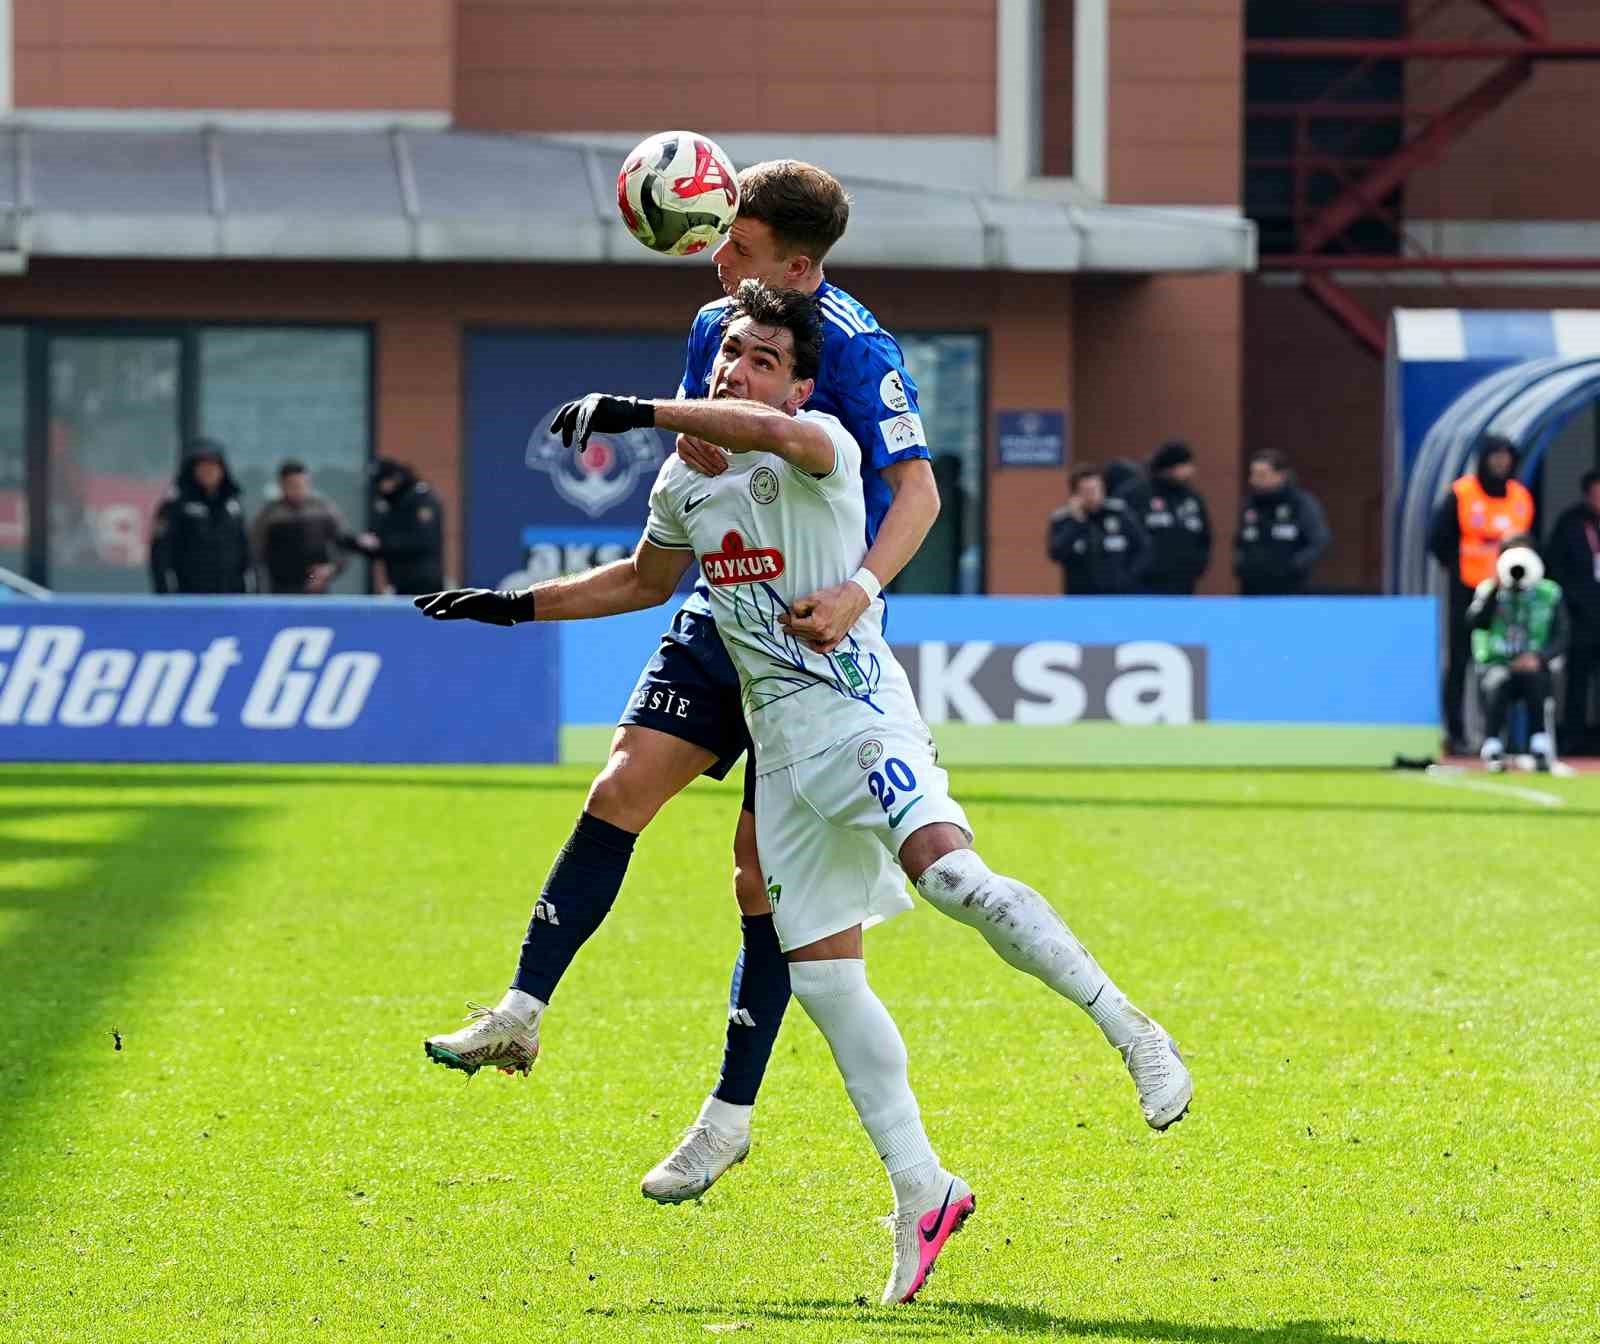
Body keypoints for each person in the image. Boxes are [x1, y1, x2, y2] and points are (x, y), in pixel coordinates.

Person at [417, 282, 1192, 1305]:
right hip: (784, 764)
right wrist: (511, 606)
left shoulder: (820, 444)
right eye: (731, 352)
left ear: (801, 384)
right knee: (826, 985)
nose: (739, 370)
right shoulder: (689, 489)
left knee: (955, 881)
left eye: (764, 360)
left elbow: (762, 429)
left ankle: (1131, 1029)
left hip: (863, 722)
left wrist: (643, 410)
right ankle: (924, 1191)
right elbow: (646, 583)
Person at [420, 161, 943, 1202]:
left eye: (738, 247)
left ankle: (726, 1120)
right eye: (713, 237)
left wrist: (859, 593)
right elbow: (696, 468)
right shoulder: (719, 322)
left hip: (811, 642)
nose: (715, 257)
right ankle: (519, 1014)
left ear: (798, 266)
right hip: (720, 609)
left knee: (762, 881)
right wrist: (522, 600)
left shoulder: (858, 347)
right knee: (617, 788)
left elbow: (916, 492)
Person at [1427, 435, 1534, 754]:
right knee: (1461, 659)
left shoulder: (1519, 496)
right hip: (1469, 588)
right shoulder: (1462, 493)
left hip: (1511, 592)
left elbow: (1528, 541)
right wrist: (1458, 567)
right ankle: (1456, 732)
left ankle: (1504, 735)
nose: (1501, 462)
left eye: (1506, 456)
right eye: (1495, 456)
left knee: (1509, 658)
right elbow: (1438, 539)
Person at [1469, 535, 1568, 772]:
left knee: (1536, 682)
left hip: (1534, 666)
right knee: (1497, 682)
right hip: (1498, 664)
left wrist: (1539, 658)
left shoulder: (1549, 593)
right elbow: (1474, 622)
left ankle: (1538, 745)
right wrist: (1496, 586)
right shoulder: (1488, 589)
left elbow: (1562, 635)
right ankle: (1492, 745)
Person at [148, 439, 253, 595]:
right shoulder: (175, 505)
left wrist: (251, 589)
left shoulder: (233, 506)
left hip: (231, 595)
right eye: (202, 465)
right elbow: (160, 554)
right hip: (188, 595)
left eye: (213, 465)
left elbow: (246, 552)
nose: (208, 471)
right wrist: (165, 594)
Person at [1545, 469, 1600, 754]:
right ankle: (1574, 740)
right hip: (1581, 618)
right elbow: (1555, 567)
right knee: (1577, 682)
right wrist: (1573, 601)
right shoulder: (1570, 524)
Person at [1116, 439, 1212, 595]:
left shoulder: (1192, 499)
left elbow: (1205, 538)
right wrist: (1131, 571)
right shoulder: (1136, 495)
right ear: (1170, 467)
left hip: (1182, 584)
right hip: (1142, 585)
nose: (1191, 470)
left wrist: (1195, 568)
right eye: (1186, 465)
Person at [1233, 450, 1331, 596]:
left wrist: (1293, 566)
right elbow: (1240, 542)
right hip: (1252, 589)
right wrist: (1242, 565)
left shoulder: (1301, 504)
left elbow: (1319, 541)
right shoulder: (1249, 505)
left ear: (1280, 475)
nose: (1253, 480)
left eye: (1262, 475)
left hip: (1291, 589)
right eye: (1253, 474)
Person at [343, 459, 445, 595]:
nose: (380, 488)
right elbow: (381, 543)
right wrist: (356, 543)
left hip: (423, 582)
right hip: (398, 580)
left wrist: (382, 543)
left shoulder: (420, 499)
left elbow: (422, 540)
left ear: (394, 479)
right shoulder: (390, 502)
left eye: (382, 483)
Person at [1046, 464, 1149, 594]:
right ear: (1075, 494)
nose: (1093, 496)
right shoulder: (1063, 519)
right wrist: (1077, 522)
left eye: (1096, 490)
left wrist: (1129, 577)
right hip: (1080, 595)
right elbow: (1055, 554)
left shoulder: (1119, 513)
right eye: (1087, 491)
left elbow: (1142, 547)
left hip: (1118, 594)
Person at [251, 460, 348, 595]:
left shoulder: (323, 509)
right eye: (293, 485)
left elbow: (345, 543)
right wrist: (261, 587)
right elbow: (255, 552)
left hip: (317, 589)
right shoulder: (270, 514)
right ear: (282, 485)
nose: (299, 490)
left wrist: (331, 569)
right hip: (280, 590)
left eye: (303, 484)